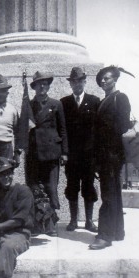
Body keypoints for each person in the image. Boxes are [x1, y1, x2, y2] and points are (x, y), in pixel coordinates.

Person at [89, 66, 132, 250]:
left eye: (107, 78)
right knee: (113, 193)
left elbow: (123, 126)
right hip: (105, 155)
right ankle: (117, 232)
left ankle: (105, 235)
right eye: (102, 79)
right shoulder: (104, 100)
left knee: (108, 195)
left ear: (115, 79)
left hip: (112, 155)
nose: (103, 81)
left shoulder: (120, 98)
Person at [60, 67, 100, 232]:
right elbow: (61, 129)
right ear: (70, 84)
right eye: (73, 82)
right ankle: (73, 220)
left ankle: (89, 221)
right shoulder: (64, 103)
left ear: (85, 81)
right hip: (72, 156)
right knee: (72, 186)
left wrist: (97, 155)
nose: (76, 84)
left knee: (88, 187)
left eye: (79, 81)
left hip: (89, 155)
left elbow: (98, 130)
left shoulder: (94, 101)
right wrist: (64, 152)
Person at [25, 71, 68, 213]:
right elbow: (22, 130)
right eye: (39, 84)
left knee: (51, 187)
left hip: (52, 153)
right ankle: (38, 222)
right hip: (34, 152)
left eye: (45, 84)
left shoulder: (56, 104)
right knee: (35, 187)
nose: (42, 87)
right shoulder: (28, 106)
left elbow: (62, 130)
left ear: (48, 87)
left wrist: (64, 152)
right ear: (34, 87)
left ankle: (52, 222)